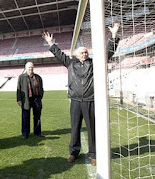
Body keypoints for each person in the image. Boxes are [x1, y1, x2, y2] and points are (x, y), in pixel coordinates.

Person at [42, 22, 120, 166]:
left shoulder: (94, 63)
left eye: (85, 52)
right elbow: (59, 54)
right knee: (75, 127)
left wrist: (114, 36)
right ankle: (73, 152)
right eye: (81, 52)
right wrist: (51, 43)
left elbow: (108, 52)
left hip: (90, 100)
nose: (84, 54)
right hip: (75, 101)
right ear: (76, 55)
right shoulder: (71, 63)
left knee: (92, 128)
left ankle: (94, 154)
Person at [17, 62, 44, 139]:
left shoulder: (38, 77)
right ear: (26, 68)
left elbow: (41, 88)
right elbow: (18, 89)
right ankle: (25, 133)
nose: (30, 69)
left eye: (31, 67)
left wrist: (40, 97)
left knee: (37, 117)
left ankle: (37, 132)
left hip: (36, 99)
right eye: (29, 67)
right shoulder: (21, 77)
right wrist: (19, 99)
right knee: (25, 117)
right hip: (26, 100)